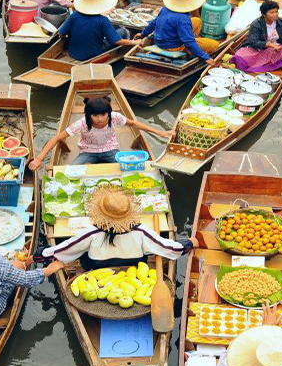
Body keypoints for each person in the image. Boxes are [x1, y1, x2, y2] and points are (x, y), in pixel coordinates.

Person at [41, 185, 190, 270]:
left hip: (98, 269)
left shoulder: (90, 233)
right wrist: (188, 243)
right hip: (133, 269)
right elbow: (170, 248)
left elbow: (65, 249)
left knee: (81, 251)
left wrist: (41, 254)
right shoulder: (142, 232)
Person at [30, 96, 173, 169]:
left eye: (104, 115)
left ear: (108, 113)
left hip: (111, 150)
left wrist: (160, 133)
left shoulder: (115, 117)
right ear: (88, 116)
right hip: (88, 152)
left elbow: (134, 123)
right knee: (72, 172)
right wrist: (39, 159)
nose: (100, 119)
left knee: (129, 169)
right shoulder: (82, 123)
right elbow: (56, 138)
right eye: (95, 116)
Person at [138, 0, 220, 62]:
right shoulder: (183, 19)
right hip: (173, 47)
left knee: (197, 21)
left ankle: (193, 42)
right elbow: (188, 42)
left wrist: (142, 34)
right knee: (214, 44)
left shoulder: (165, 9)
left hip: (160, 41)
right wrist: (206, 58)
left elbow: (153, 23)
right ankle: (188, 49)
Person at [56, 0, 140, 62]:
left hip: (73, 53)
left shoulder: (75, 15)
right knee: (122, 31)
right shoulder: (103, 20)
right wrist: (134, 42)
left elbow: (61, 33)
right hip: (92, 55)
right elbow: (117, 41)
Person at [231, 1, 282, 72]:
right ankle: (266, 65)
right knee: (239, 57)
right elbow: (253, 41)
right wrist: (269, 44)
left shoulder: (280, 21)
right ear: (264, 14)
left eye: (276, 11)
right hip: (257, 49)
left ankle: (269, 65)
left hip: (274, 48)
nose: (275, 14)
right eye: (271, 12)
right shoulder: (256, 24)